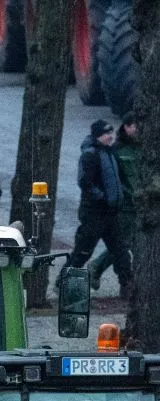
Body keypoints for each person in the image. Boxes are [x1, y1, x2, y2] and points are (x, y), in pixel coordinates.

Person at [66, 119, 130, 292]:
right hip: (94, 213)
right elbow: (85, 183)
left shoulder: (110, 152)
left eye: (111, 133)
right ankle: (63, 283)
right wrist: (102, 198)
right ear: (97, 136)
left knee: (121, 253)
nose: (110, 137)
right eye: (106, 134)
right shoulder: (90, 155)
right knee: (82, 252)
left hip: (111, 213)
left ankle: (128, 287)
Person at [90, 113, 139, 290]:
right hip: (125, 205)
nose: (138, 129)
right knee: (125, 243)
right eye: (135, 125)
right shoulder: (118, 150)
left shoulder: (142, 149)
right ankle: (99, 267)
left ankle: (102, 269)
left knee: (127, 243)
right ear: (126, 126)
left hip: (138, 204)